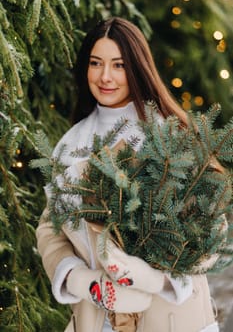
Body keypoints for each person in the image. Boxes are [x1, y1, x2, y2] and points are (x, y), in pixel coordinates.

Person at [36, 17, 220, 332]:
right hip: (98, 321)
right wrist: (80, 279)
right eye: (96, 63)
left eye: (118, 65)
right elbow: (50, 228)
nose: (105, 76)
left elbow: (210, 228)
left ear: (136, 68)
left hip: (172, 320)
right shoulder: (72, 145)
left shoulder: (169, 137)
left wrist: (150, 277)